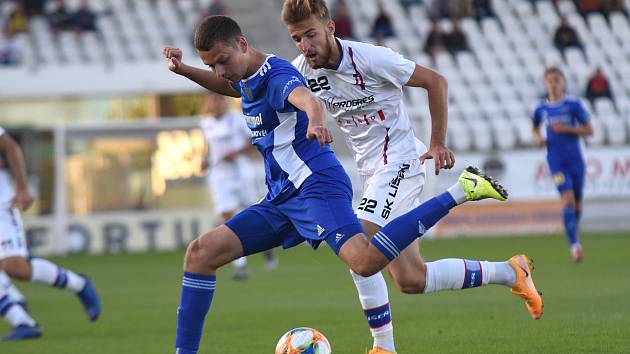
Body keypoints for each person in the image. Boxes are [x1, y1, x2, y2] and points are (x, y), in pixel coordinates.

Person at [164, 15, 533, 354]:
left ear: (243, 45)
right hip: (284, 196)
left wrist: (315, 119)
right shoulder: (254, 75)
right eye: (213, 64)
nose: (219, 70)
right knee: (201, 253)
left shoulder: (287, 73)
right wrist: (186, 71)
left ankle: (461, 192)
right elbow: (235, 86)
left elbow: (305, 98)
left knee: (363, 259)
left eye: (221, 61)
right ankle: (509, 271)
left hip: (324, 184)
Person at [281, 1, 543, 352]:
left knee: (359, 250)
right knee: (410, 279)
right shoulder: (302, 71)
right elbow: (258, 88)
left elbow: (436, 81)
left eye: (310, 35)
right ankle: (512, 272)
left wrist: (437, 143)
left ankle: (382, 347)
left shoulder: (371, 58)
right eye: (297, 38)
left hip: (402, 161)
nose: (305, 46)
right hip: (371, 172)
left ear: (330, 28)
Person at [0, 126, 101, 342]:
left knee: (16, 268)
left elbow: (9, 146)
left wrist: (22, 188)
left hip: (1, 205)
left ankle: (79, 284)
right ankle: (21, 319)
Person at [199, 92, 278, 280]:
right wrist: (203, 161)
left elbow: (253, 142)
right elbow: (207, 148)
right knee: (227, 217)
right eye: (212, 100)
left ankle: (266, 247)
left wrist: (235, 153)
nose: (215, 103)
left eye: (218, 100)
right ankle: (240, 265)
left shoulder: (236, 120)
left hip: (241, 173)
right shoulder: (205, 123)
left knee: (254, 214)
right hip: (219, 176)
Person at [532, 67, 594, 263]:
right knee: (567, 199)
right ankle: (575, 246)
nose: (553, 83)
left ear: (563, 82)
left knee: (577, 203)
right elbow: (534, 128)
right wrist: (538, 139)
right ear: (545, 83)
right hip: (556, 162)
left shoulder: (573, 104)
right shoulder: (541, 109)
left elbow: (589, 130)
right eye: (550, 80)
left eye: (557, 79)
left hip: (576, 160)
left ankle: (573, 231)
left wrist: (566, 128)